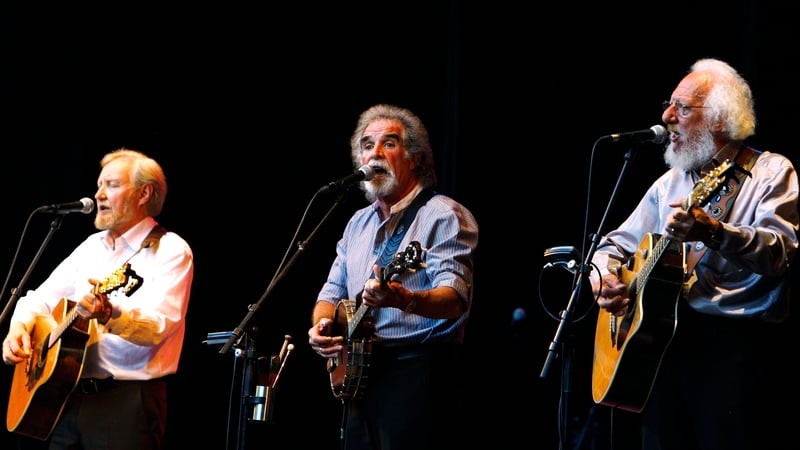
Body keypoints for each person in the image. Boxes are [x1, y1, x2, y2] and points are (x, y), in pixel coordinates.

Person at [589, 58, 799, 449]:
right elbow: (612, 246)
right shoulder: (669, 183)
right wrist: (603, 278)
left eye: (682, 108)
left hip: (734, 352)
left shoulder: (770, 172)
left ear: (720, 119)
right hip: (664, 348)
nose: (666, 117)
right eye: (669, 105)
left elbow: (779, 253)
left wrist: (714, 232)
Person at [307, 104, 479, 450]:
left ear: (414, 158)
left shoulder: (443, 215)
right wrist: (322, 327)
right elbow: (330, 293)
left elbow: (455, 300)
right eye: (367, 146)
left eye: (389, 143)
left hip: (417, 375)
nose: (376, 154)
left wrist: (403, 298)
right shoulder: (357, 223)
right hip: (360, 376)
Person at [2, 148, 194, 450]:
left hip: (126, 402)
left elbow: (160, 325)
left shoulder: (170, 251)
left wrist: (108, 314)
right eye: (99, 185)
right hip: (67, 395)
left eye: (112, 185)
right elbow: (40, 299)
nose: (98, 194)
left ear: (144, 193)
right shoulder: (92, 246)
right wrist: (19, 328)